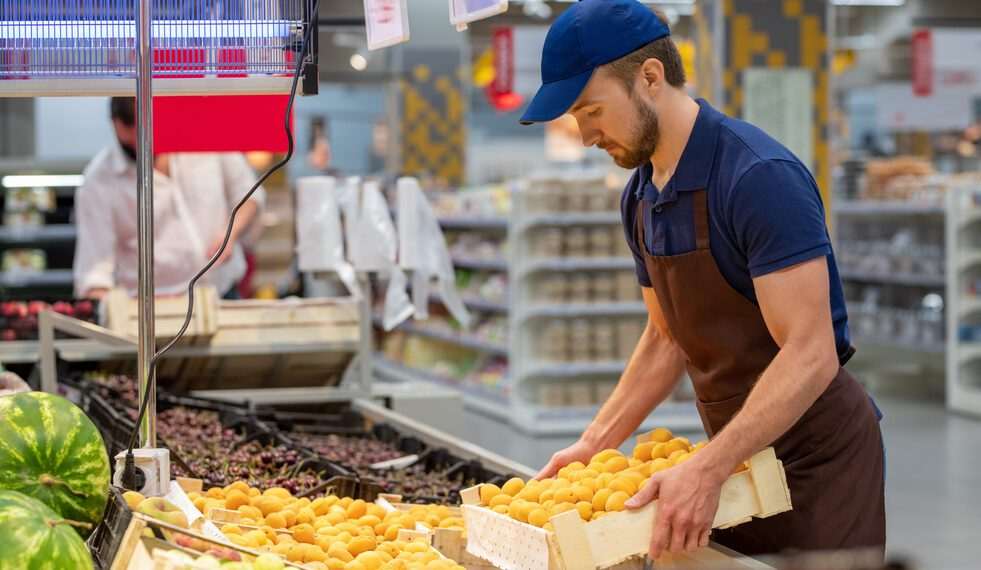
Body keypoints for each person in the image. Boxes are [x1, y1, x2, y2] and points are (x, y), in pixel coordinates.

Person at [520, 0, 885, 560]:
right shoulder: (640, 196)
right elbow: (666, 336)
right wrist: (594, 445)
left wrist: (708, 466)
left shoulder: (758, 178)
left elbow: (811, 353)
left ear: (649, 77)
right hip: (736, 461)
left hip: (817, 460)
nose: (585, 134)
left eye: (591, 110)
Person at [74, 97, 265, 300]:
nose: (149, 147)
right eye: (139, 136)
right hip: (151, 309)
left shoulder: (204, 135)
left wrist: (231, 231)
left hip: (222, 291)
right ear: (118, 126)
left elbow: (249, 193)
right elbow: (94, 276)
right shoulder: (99, 181)